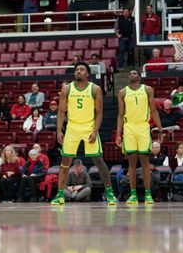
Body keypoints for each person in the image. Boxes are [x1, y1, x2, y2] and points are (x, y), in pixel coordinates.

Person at [52, 62, 117, 205]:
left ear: (88, 73)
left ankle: (110, 193)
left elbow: (99, 113)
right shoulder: (67, 89)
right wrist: (59, 131)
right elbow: (61, 111)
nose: (78, 72)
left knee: (98, 160)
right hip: (72, 128)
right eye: (76, 70)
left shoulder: (95, 89)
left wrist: (95, 131)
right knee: (65, 161)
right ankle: (60, 194)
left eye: (82, 70)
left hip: (89, 126)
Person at [116, 70, 163, 204]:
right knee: (131, 163)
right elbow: (120, 114)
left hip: (143, 126)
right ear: (127, 77)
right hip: (129, 127)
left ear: (139, 76)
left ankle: (148, 194)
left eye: (134, 73)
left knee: (145, 163)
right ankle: (133, 195)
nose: (132, 74)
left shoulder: (147, 89)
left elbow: (153, 110)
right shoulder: (122, 92)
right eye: (129, 73)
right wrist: (118, 133)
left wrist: (160, 129)